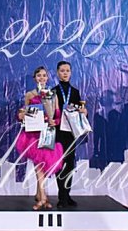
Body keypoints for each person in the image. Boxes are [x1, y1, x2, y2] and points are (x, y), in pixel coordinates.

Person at [15, 66, 64, 210]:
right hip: (34, 134)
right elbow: (24, 113)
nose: (41, 78)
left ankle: (39, 195)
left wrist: (54, 121)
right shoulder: (29, 95)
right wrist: (21, 115)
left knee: (43, 165)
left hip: (47, 132)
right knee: (39, 165)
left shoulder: (53, 95)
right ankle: (43, 197)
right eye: (39, 75)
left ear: (47, 78)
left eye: (44, 75)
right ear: (34, 78)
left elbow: (57, 115)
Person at [52, 60, 86, 208]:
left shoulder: (75, 92)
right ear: (57, 73)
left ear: (71, 73)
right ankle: (62, 197)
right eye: (62, 71)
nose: (65, 73)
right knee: (60, 164)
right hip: (58, 132)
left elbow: (79, 110)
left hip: (71, 132)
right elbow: (50, 112)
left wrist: (83, 111)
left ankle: (67, 194)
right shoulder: (53, 91)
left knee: (70, 164)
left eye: (67, 71)